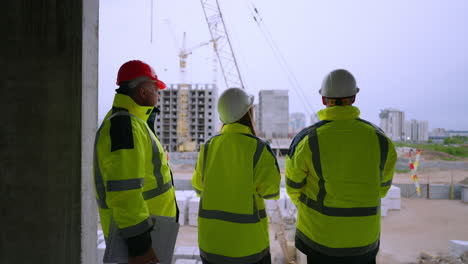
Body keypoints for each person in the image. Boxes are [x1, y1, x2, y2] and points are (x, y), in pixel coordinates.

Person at [286, 69, 397, 264]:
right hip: (364, 240)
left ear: (323, 100)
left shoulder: (307, 140)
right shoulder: (381, 140)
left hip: (319, 238)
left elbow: (293, 189)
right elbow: (382, 189)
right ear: (354, 97)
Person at [94, 60, 177, 264]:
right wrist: (140, 248)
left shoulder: (135, 123)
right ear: (143, 92)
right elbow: (124, 192)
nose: (158, 95)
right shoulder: (125, 126)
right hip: (139, 242)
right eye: (156, 89)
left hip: (150, 231)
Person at [192, 88, 281, 264]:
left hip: (211, 244)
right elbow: (271, 192)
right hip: (248, 246)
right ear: (249, 113)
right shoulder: (259, 148)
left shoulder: (209, 147)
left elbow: (198, 187)